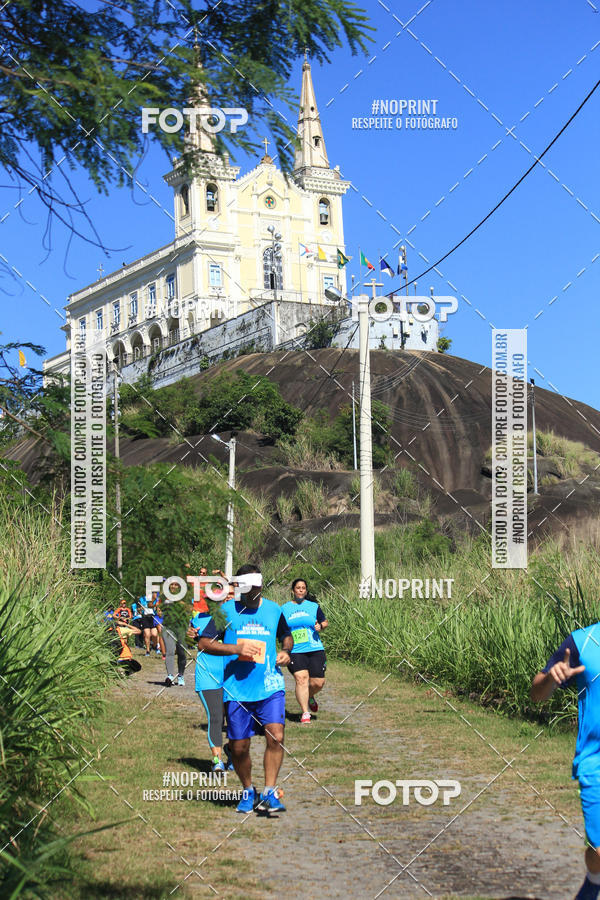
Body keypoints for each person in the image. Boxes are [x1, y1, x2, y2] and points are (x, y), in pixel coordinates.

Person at [194, 564, 293, 813]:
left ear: (260, 585)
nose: (252, 593)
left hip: (270, 685)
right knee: (239, 747)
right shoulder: (226, 611)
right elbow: (204, 643)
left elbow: (286, 636)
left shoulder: (274, 609)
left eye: (255, 588)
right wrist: (235, 649)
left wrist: (286, 652)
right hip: (236, 689)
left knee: (276, 736)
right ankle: (248, 789)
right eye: (247, 589)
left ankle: (270, 792)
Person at [531, 625, 600, 900]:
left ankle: (593, 881)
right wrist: (552, 678)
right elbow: (537, 693)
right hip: (595, 764)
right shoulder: (583, 641)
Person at [189, 589, 233, 772]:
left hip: (232, 675)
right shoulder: (199, 619)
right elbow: (190, 640)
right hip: (208, 675)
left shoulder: (237, 619)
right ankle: (217, 760)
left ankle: (231, 750)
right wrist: (189, 634)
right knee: (216, 717)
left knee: (234, 720)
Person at [280, 578, 328, 723]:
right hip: (295, 650)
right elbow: (281, 627)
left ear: (306, 591)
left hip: (314, 648)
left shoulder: (313, 606)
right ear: (293, 590)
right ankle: (305, 712)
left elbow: (324, 621)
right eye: (298, 588)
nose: (301, 590)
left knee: (318, 683)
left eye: (303, 588)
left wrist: (321, 626)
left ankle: (310, 695)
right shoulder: (284, 608)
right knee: (301, 679)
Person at [161, 581, 192, 687]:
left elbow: (189, 609)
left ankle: (181, 675)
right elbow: (158, 608)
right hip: (168, 627)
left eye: (176, 584)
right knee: (169, 651)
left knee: (181, 653)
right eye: (172, 584)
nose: (173, 586)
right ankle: (170, 675)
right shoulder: (164, 596)